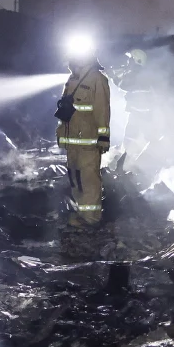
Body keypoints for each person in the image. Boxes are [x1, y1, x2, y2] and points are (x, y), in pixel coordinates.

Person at [57, 47, 110, 227]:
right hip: (73, 142)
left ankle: (91, 218)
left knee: (89, 179)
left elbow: (102, 110)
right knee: (75, 178)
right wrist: (62, 136)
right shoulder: (72, 79)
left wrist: (103, 136)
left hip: (89, 141)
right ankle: (81, 213)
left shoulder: (97, 79)